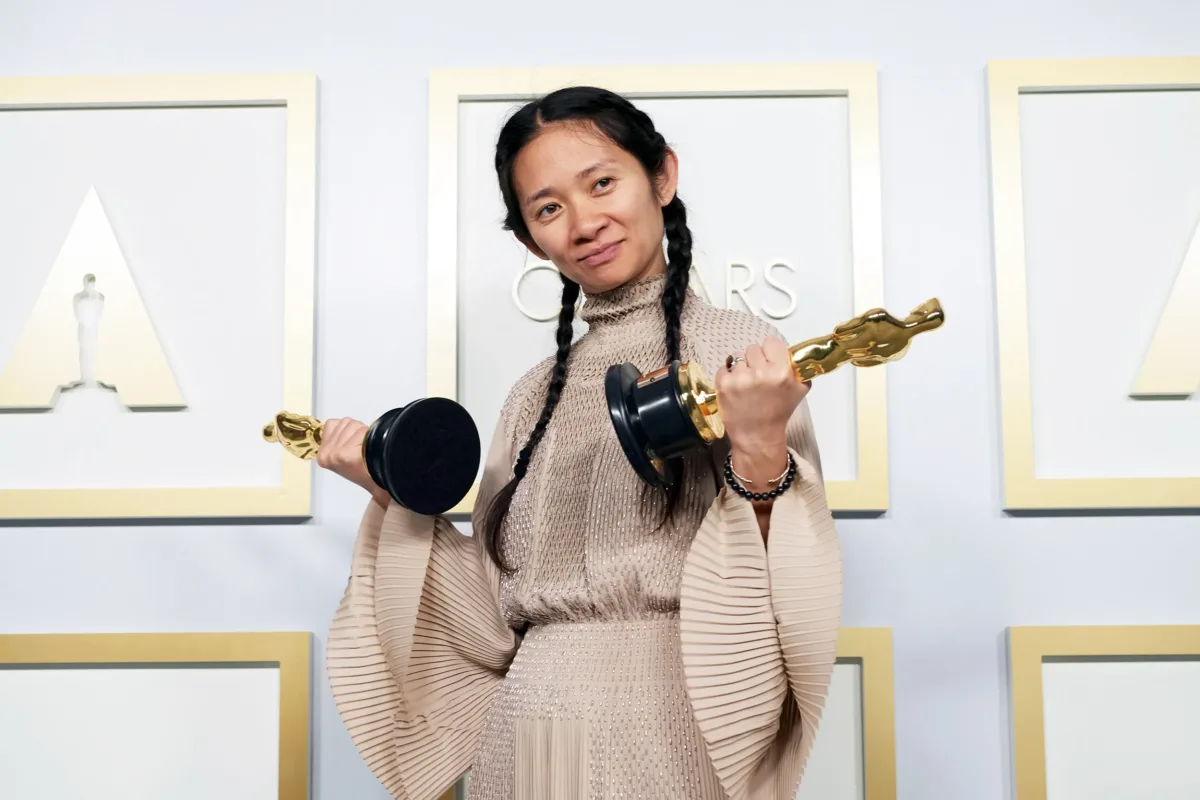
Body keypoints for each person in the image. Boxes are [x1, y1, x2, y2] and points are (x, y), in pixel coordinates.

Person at [318, 86, 843, 800]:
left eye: (602, 183)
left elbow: (784, 585)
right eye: (549, 208)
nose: (585, 222)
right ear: (530, 240)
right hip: (530, 735)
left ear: (662, 175)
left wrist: (756, 445)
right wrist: (391, 492)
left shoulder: (741, 357)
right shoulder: (531, 395)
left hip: (676, 717)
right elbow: (489, 609)